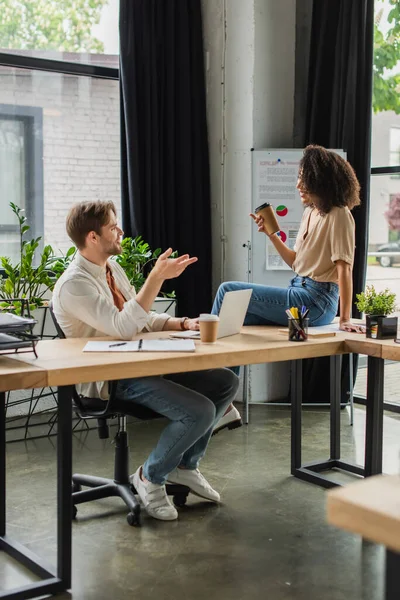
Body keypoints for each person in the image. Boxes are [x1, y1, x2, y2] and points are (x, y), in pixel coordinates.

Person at [52, 200, 239, 521]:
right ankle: (150, 476)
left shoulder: (112, 269)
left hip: (141, 364)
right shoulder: (74, 285)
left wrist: (181, 324)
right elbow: (123, 325)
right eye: (113, 226)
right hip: (109, 379)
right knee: (200, 411)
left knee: (224, 382)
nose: (120, 231)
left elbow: (138, 317)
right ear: (93, 237)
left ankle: (184, 467)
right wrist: (156, 278)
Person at [212, 145, 364, 386]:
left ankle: (213, 385)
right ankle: (225, 394)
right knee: (237, 319)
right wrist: (272, 235)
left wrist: (345, 318)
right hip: (300, 291)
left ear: (319, 180)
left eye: (303, 180)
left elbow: (344, 269)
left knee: (227, 291)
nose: (298, 186)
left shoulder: (340, 215)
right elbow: (296, 263)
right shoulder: (310, 213)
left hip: (316, 301)